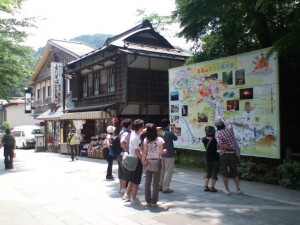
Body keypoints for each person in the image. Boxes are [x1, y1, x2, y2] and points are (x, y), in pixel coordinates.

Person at [214, 117, 243, 195]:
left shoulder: (218, 133)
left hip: (223, 154)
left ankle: (227, 189)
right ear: (223, 124)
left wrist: (228, 147)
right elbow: (230, 123)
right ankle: (238, 189)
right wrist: (224, 118)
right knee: (235, 171)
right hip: (233, 154)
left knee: (224, 172)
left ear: (217, 127)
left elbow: (220, 144)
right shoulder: (229, 129)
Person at [142, 123, 166, 206]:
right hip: (157, 162)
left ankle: (148, 201)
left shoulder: (146, 140)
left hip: (148, 161)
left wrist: (143, 161)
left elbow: (144, 152)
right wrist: (165, 151)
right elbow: (161, 152)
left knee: (147, 182)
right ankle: (154, 201)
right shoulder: (160, 140)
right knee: (156, 182)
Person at [122, 119, 144, 204]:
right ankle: (134, 197)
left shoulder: (133, 133)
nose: (144, 127)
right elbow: (137, 151)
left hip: (132, 159)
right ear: (140, 127)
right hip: (136, 160)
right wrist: (142, 159)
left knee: (131, 179)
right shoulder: (135, 137)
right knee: (136, 181)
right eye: (143, 125)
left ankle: (127, 195)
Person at [159, 118, 178, 193]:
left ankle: (160, 185)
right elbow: (175, 138)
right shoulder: (169, 133)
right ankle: (166, 187)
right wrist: (175, 131)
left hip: (161, 153)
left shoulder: (160, 132)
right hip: (169, 154)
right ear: (168, 125)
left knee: (162, 170)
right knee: (168, 171)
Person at [202, 126, 219, 192]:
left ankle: (206, 186)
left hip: (207, 158)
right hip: (215, 158)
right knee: (214, 174)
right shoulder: (215, 140)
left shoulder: (203, 139)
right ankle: (212, 187)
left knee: (208, 173)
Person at [118, 118, 132, 194]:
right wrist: (126, 150)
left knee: (121, 171)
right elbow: (122, 142)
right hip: (124, 154)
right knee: (126, 171)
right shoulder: (126, 133)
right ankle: (123, 188)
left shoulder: (121, 131)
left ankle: (121, 187)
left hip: (119, 153)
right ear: (129, 125)